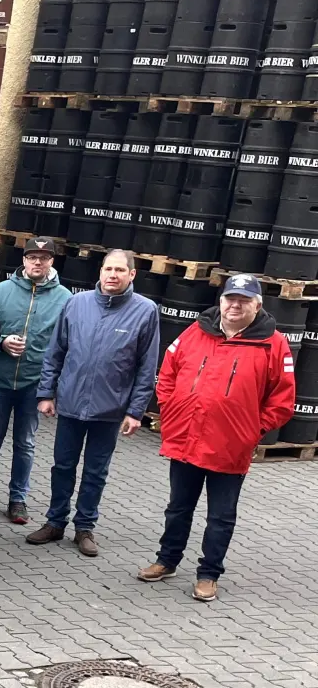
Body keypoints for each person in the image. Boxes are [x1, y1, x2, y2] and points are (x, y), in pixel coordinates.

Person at [143, 275, 296, 603]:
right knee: (178, 508)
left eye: (244, 300)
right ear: (221, 300)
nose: (235, 305)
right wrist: (171, 411)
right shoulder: (196, 331)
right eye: (230, 298)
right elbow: (167, 372)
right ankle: (167, 560)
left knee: (220, 515)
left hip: (231, 447)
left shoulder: (273, 344)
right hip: (187, 439)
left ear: (257, 305)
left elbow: (282, 401)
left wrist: (251, 431)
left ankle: (209, 574)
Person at [31, 249, 160, 557]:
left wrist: (135, 411)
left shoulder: (145, 311)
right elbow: (56, 352)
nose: (112, 275)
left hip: (110, 408)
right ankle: (55, 522)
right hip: (71, 403)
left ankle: (85, 527)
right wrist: (46, 394)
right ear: (100, 272)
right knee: (62, 466)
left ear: (132, 275)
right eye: (108, 269)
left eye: (119, 270)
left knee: (95, 471)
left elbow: (147, 365)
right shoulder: (76, 304)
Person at [0, 236, 71, 525]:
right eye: (32, 257)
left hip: (35, 383)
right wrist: (2, 344)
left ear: (51, 262)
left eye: (43, 258)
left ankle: (18, 499)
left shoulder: (65, 299)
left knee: (25, 443)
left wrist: (53, 387)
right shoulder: (0, 291)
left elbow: (64, 344)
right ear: (23, 260)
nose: (37, 262)